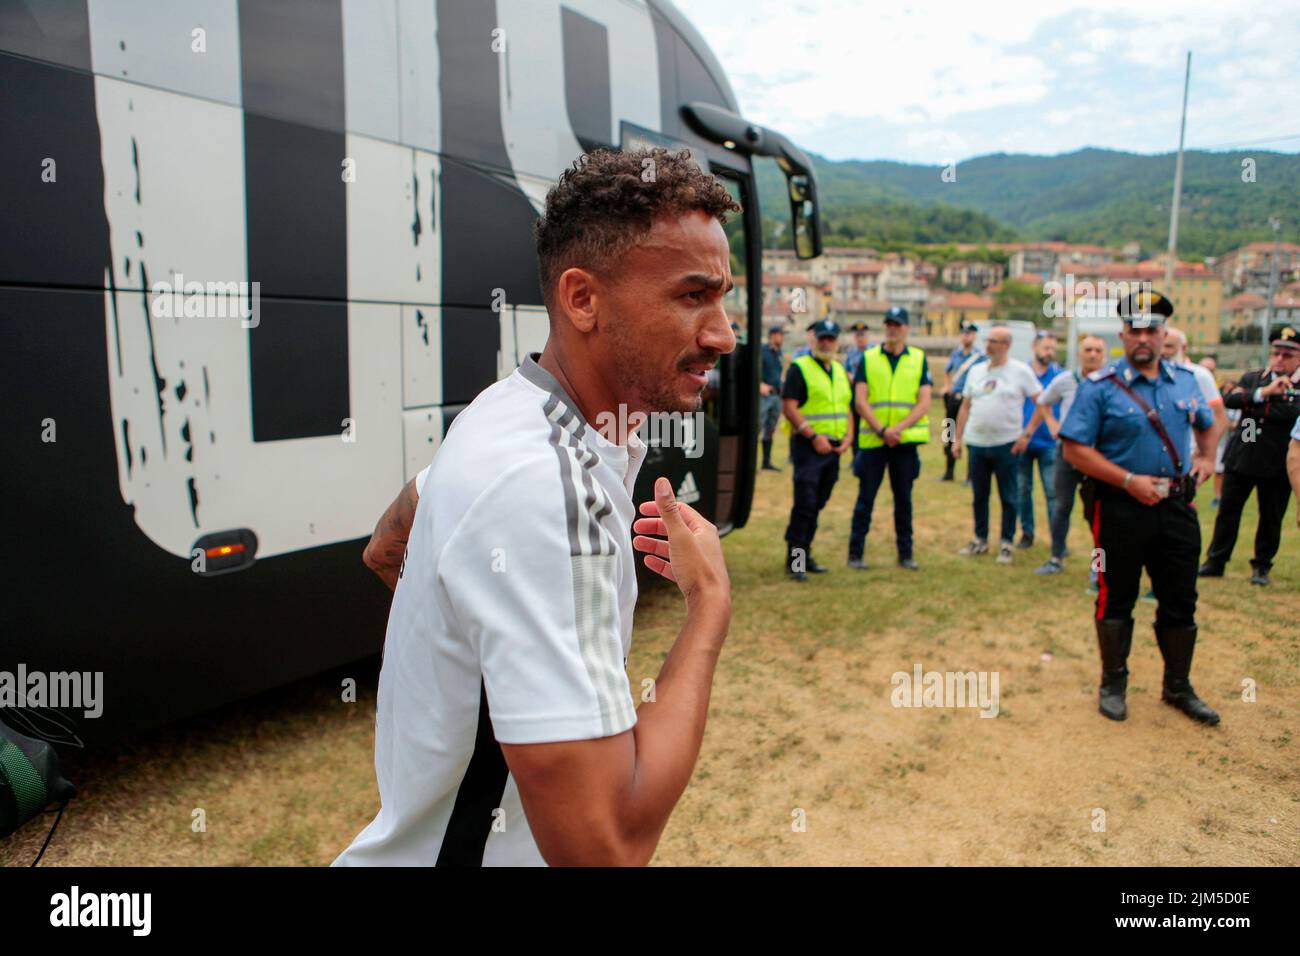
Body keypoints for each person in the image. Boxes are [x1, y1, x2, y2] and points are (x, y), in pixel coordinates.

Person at [335, 148, 735, 866]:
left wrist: (489, 656)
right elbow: (607, 849)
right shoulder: (542, 481)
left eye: (723, 296)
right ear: (583, 299)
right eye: (691, 296)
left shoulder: (510, 412)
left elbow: (388, 541)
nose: (722, 334)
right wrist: (707, 606)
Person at [1060, 290, 1223, 725]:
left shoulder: (1186, 381)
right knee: (1115, 597)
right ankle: (1113, 683)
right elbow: (1074, 448)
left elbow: (1211, 422)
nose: (1144, 337)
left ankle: (1177, 687)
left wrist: (1207, 459)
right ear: (1123, 336)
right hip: (1117, 510)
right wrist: (1128, 481)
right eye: (1136, 330)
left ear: (1165, 333)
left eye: (1153, 329)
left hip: (1176, 508)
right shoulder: (1099, 387)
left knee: (1180, 598)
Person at [1198, 325, 1300, 586]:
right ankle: (1216, 559)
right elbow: (1230, 399)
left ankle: (1261, 565)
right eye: (1277, 352)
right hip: (1242, 457)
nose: (1280, 359)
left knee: (1271, 518)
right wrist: (1264, 395)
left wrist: (1254, 405)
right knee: (1228, 513)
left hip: (1276, 464)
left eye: (1288, 355)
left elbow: (1289, 414)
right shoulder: (1255, 378)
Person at [847, 306, 932, 570]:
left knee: (904, 500)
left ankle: (906, 554)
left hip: (904, 442)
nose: (892, 329)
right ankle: (855, 554)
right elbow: (860, 401)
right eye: (889, 324)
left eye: (897, 324)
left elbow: (924, 401)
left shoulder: (918, 358)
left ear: (906, 328)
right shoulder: (869, 358)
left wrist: (899, 429)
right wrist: (883, 430)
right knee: (865, 500)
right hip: (874, 441)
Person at [952, 324, 1042, 564]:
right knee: (979, 495)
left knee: (1009, 496)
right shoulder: (976, 371)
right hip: (977, 443)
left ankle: (1006, 542)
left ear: (1007, 345)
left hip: (1006, 444)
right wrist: (956, 438)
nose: (988, 345)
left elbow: (1041, 403)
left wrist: (1027, 434)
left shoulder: (1020, 371)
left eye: (994, 341)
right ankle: (980, 539)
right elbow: (965, 406)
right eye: (988, 340)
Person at [1024, 333, 1108, 575]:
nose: (1092, 355)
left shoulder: (1109, 383)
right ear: (1079, 354)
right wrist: (1051, 423)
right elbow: (1042, 402)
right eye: (1088, 350)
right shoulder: (1065, 380)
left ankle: (1098, 566)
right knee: (1061, 506)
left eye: (1097, 351)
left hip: (1097, 456)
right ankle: (1056, 557)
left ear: (1103, 355)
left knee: (1098, 513)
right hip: (1067, 453)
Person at [782, 318, 853, 581]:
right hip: (809, 447)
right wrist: (813, 437)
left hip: (833, 449)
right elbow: (789, 407)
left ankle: (805, 553)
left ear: (836, 342)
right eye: (822, 338)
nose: (826, 343)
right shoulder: (800, 368)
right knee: (806, 504)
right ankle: (796, 560)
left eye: (831, 339)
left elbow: (847, 407)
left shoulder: (839, 370)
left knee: (818, 503)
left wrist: (849, 437)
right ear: (814, 339)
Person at [1010, 331, 1064, 549]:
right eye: (1045, 347)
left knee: (1053, 492)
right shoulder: (1021, 373)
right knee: (1022, 490)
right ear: (1034, 347)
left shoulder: (1060, 375)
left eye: (1052, 348)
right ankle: (1027, 533)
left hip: (1049, 443)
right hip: (1022, 441)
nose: (1049, 352)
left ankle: (1057, 538)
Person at [940, 320, 984, 482]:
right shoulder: (955, 354)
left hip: (969, 401)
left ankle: (971, 475)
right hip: (954, 398)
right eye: (964, 333)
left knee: (969, 435)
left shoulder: (980, 357)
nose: (966, 337)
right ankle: (949, 471)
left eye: (969, 334)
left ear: (974, 336)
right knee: (949, 432)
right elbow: (947, 371)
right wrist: (947, 386)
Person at [760, 323, 786, 471]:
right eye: (780, 334)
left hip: (776, 395)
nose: (781, 338)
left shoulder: (779, 353)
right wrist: (759, 384)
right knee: (758, 426)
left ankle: (766, 462)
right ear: (772, 335)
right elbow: (755, 369)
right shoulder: (763, 351)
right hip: (765, 396)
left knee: (770, 429)